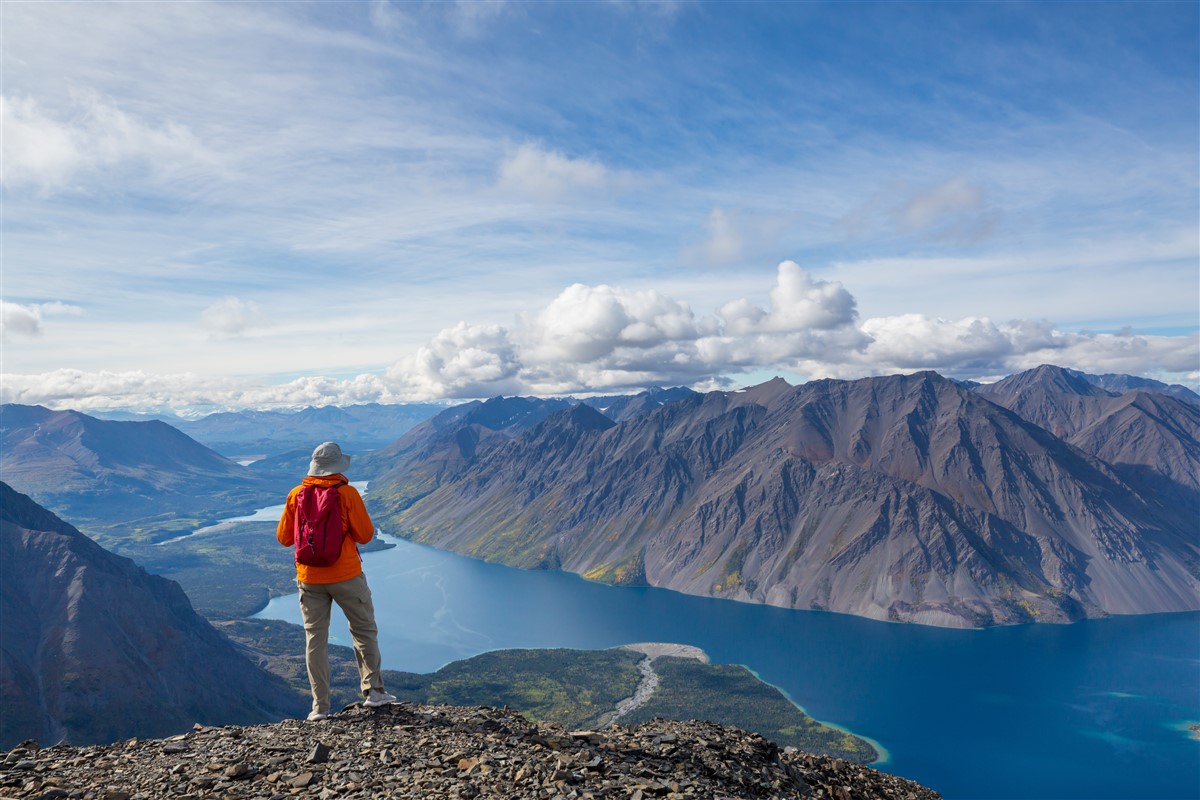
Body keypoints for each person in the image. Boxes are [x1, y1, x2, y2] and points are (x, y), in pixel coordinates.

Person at [276, 441, 397, 720]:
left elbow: (284, 538)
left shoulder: (296, 494)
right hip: (346, 576)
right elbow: (365, 535)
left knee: (315, 639)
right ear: (337, 466)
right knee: (363, 630)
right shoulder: (347, 493)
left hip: (309, 578)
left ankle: (320, 708)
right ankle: (374, 692)